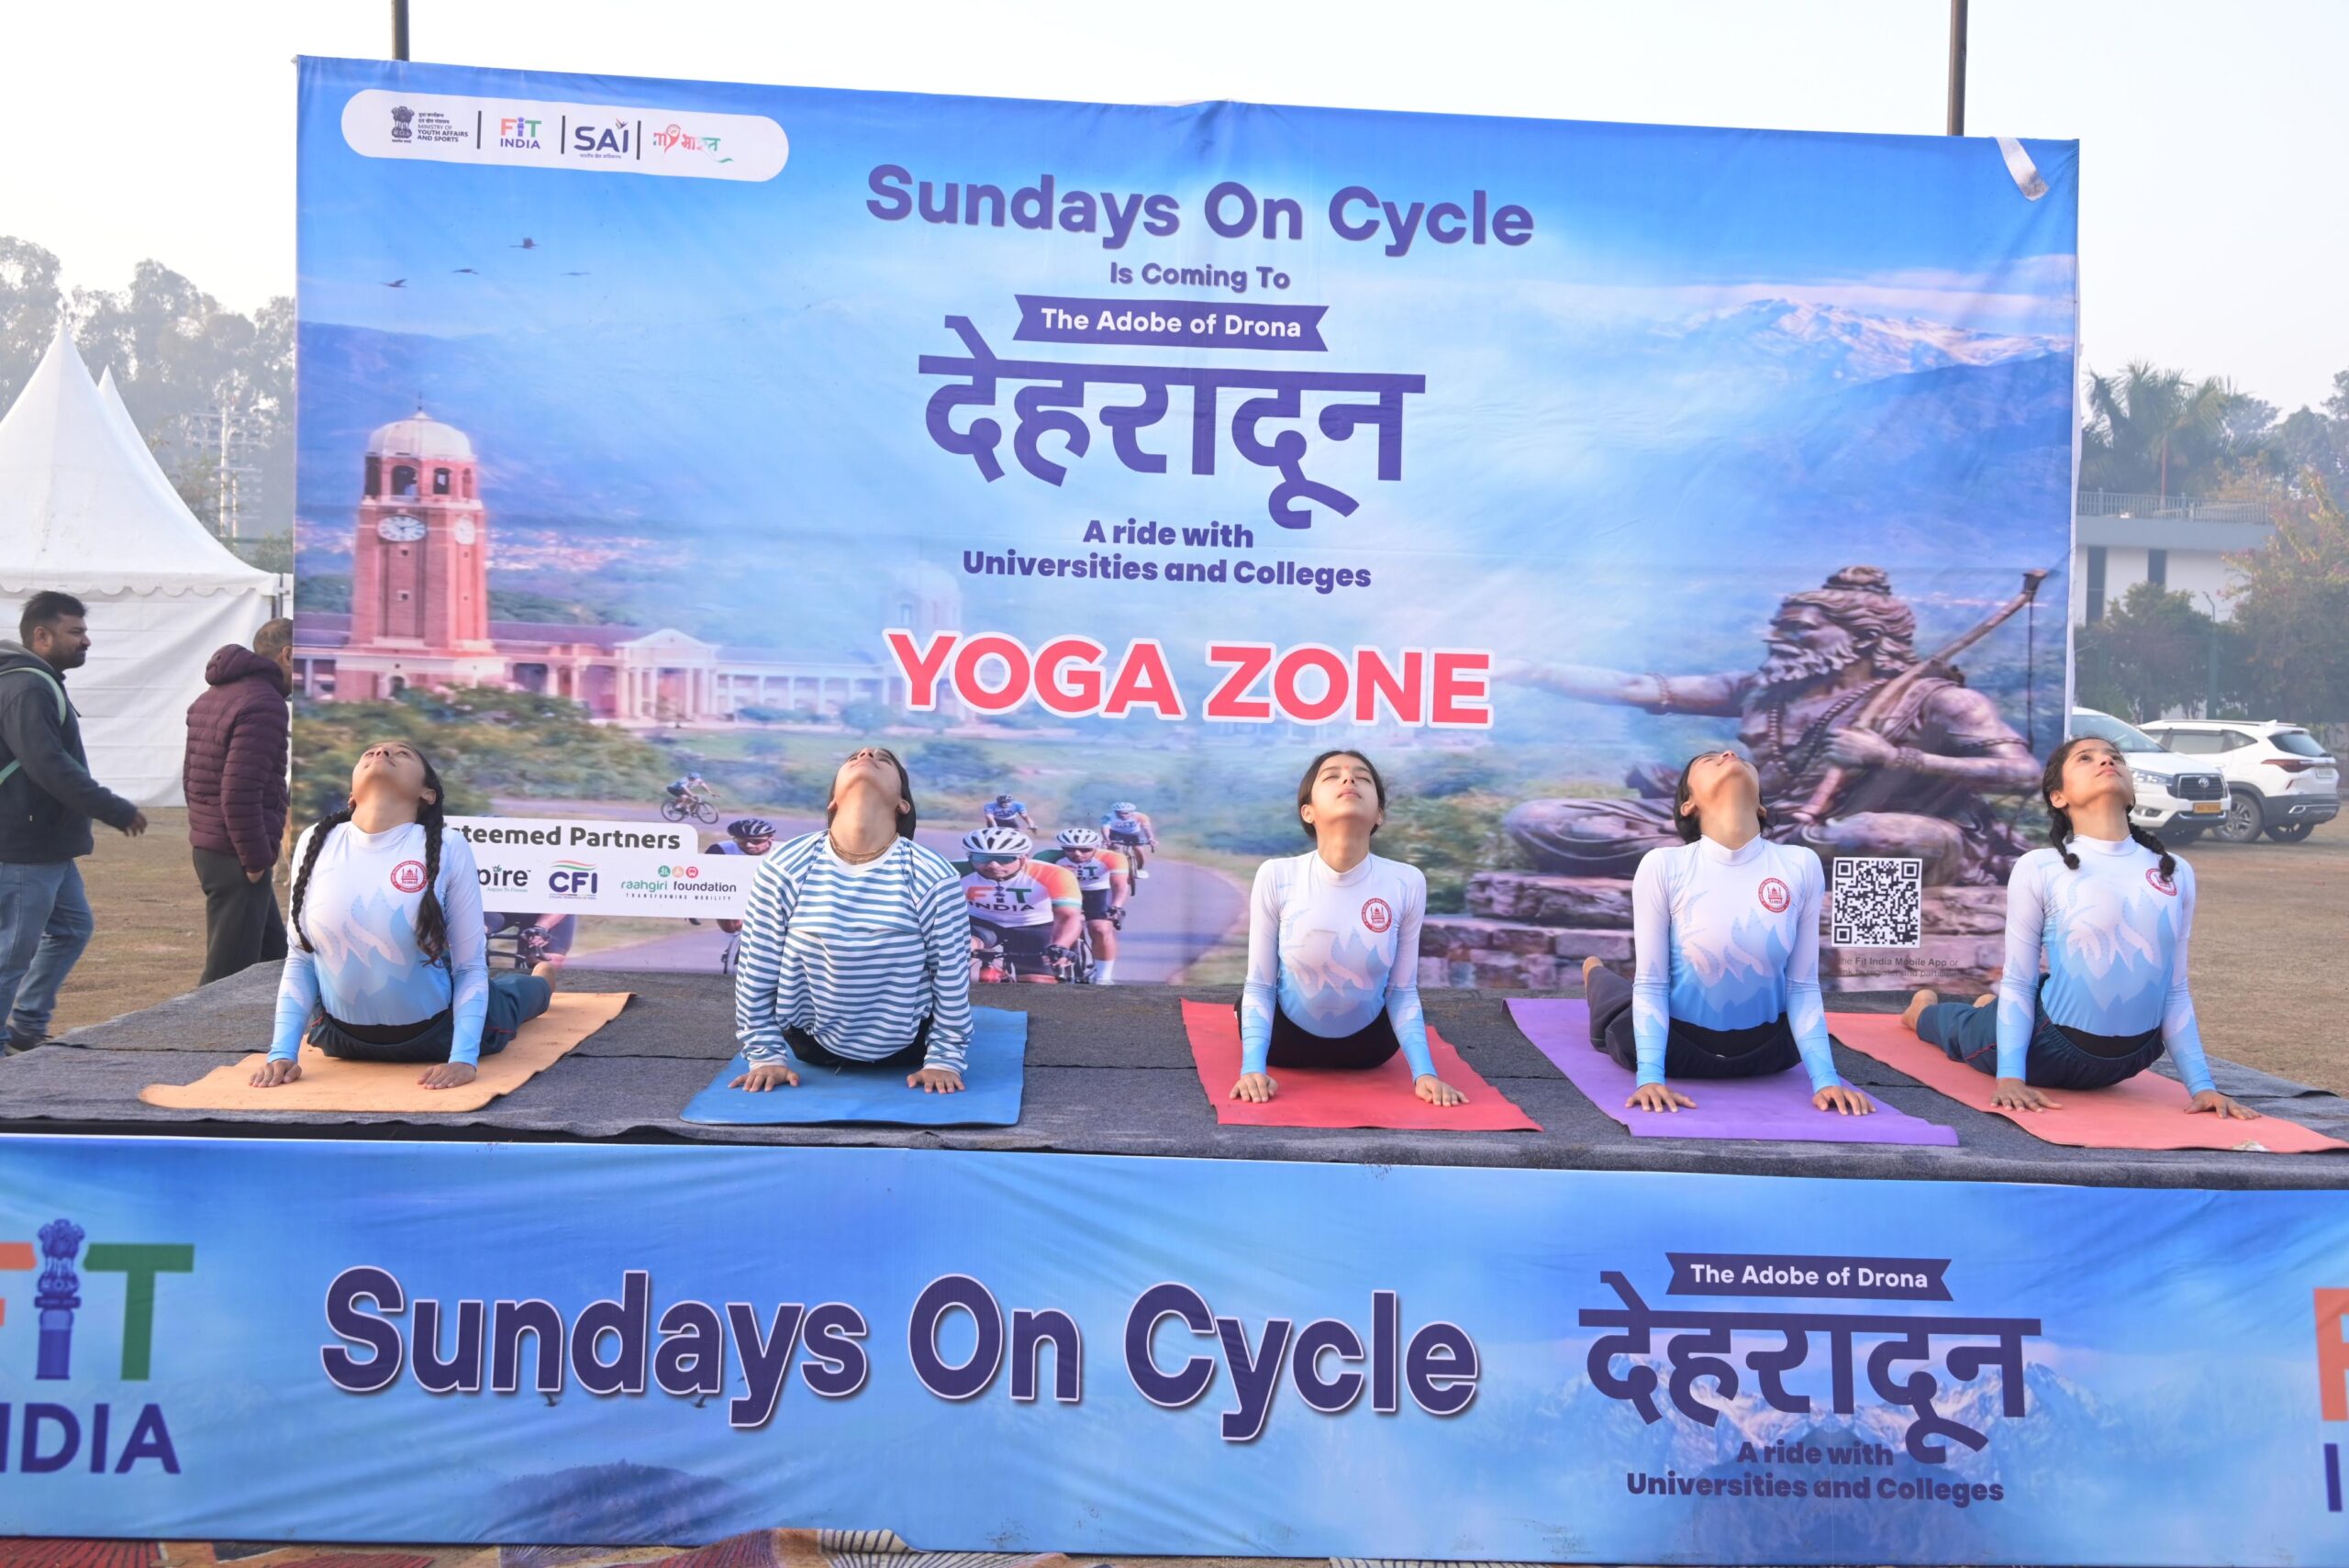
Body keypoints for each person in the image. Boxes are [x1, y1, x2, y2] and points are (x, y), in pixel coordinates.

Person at [1502, 567, 2039, 884]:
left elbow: (2022, 774)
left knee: (1887, 838)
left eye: (1797, 630)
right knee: (1540, 819)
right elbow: (1633, 686)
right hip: (1758, 826)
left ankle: (1723, 868)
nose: (1775, 639)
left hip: (1846, 833)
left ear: (1866, 640)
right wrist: (1528, 671)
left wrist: (1893, 758)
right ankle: (1742, 865)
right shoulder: (1763, 689)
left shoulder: (1938, 700)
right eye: (1777, 627)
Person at [1899, 735, 2256, 1118]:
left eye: (2114, 757)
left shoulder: (2175, 871)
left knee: (2020, 1001)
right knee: (1961, 1029)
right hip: (2044, 1048)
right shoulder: (2041, 867)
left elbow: (2175, 988)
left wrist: (2203, 1087)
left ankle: (1988, 1010)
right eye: (2086, 758)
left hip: (2135, 1056)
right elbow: (2019, 980)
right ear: (2058, 797)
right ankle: (1921, 1010)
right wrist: (2010, 1077)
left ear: (2132, 792)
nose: (2106, 761)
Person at [1580, 750, 1872, 1116]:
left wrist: (1827, 1081)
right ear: (1688, 804)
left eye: (1740, 759)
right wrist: (1651, 1078)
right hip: (1676, 1049)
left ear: (1761, 806)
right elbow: (1652, 983)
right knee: (1619, 1000)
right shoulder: (1664, 865)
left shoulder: (1800, 864)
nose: (1728, 754)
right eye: (1708, 760)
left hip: (1770, 1053)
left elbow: (1802, 985)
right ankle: (1595, 973)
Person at [252, 741, 552, 1091]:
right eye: (370, 752)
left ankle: (542, 982)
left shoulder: (450, 846)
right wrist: (282, 1054)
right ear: (351, 795)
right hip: (340, 1038)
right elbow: (301, 959)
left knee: (511, 996)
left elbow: (470, 966)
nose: (381, 754)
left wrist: (463, 1059)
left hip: (439, 1034)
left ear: (427, 794)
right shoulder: (315, 841)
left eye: (402, 753)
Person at [730, 747, 973, 1094]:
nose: (867, 753)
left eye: (883, 759)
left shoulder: (932, 874)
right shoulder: (785, 865)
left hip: (910, 1047)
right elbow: (757, 966)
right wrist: (765, 1056)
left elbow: (950, 975)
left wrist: (944, 1061)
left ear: (902, 803)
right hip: (810, 1045)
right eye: (852, 758)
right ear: (833, 801)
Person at [1232, 751, 1464, 1106]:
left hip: (1371, 1050)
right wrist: (1252, 1069)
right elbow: (1261, 985)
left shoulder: (1406, 882)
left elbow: (1402, 991)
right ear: (1308, 812)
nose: (1348, 779)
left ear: (1379, 814)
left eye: (1363, 777)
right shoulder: (1276, 876)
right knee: (1246, 1001)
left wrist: (1425, 1074)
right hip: (1284, 1043)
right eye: (1332, 776)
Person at [0, 593, 148, 1054]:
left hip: (48, 844)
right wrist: (114, 808)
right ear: (41, 636)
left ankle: (26, 1027)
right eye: (76, 632)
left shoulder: (37, 681)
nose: (86, 641)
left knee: (71, 929)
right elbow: (49, 766)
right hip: (26, 845)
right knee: (12, 953)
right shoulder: (28, 686)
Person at [184, 617, 295, 985]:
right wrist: (255, 859)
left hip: (216, 846)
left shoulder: (213, 697)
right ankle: (198, 1026)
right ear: (288, 655)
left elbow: (193, 779)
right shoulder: (264, 704)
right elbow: (239, 791)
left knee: (274, 963)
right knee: (226, 981)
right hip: (238, 853)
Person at [961, 826, 1082, 983]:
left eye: (1005, 859)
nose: (993, 865)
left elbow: (1068, 916)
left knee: (1036, 982)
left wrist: (1061, 946)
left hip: (1034, 926)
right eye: (982, 858)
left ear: (1024, 857)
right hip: (981, 924)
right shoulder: (953, 870)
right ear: (969, 856)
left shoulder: (1054, 873)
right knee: (963, 947)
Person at [1055, 826, 1129, 984]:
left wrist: (1116, 906)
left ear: (1097, 846)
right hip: (1064, 894)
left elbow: (1120, 884)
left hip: (1097, 892)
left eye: (1085, 849)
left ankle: (1103, 976)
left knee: (1100, 929)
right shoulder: (1047, 857)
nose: (1077, 853)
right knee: (1058, 928)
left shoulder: (1113, 857)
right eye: (1070, 849)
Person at [707, 817, 776, 939]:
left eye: (756, 841)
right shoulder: (720, 850)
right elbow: (705, 880)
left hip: (771, 896)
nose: (749, 845)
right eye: (741, 841)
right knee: (731, 928)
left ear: (771, 838)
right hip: (733, 893)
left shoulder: (785, 851)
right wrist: (694, 909)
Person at [1102, 799, 1158, 880]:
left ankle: (1140, 868)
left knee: (1138, 849)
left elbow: (1147, 829)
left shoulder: (1141, 816)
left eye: (1125, 813)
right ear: (1114, 812)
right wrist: (1106, 839)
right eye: (1118, 813)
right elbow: (1105, 829)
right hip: (1116, 833)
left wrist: (1151, 839)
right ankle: (1117, 867)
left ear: (1132, 812)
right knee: (1116, 849)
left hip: (1134, 833)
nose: (1122, 815)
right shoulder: (1108, 817)